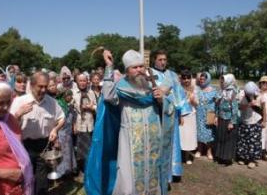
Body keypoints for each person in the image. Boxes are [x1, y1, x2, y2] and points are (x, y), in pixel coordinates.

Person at [85, 49, 175, 195]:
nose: (139, 70)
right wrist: (109, 66)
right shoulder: (121, 87)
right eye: (135, 67)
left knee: (153, 173)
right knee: (129, 178)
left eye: (141, 66)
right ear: (127, 71)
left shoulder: (153, 85)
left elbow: (169, 109)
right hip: (130, 140)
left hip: (153, 139)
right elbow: (108, 96)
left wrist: (161, 100)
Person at [10, 71, 65, 195]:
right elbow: (8, 126)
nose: (44, 89)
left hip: (44, 147)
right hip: (24, 146)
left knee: (42, 182)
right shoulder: (19, 102)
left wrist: (55, 130)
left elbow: (62, 118)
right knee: (25, 179)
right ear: (32, 85)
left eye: (46, 86)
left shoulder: (52, 102)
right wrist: (18, 114)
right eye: (40, 86)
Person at [150, 50, 191, 179]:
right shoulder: (148, 73)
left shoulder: (172, 75)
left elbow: (180, 94)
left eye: (164, 60)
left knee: (171, 143)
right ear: (154, 60)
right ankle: (156, 172)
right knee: (157, 143)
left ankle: (170, 172)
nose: (163, 62)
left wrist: (181, 114)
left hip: (171, 114)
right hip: (155, 114)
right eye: (160, 59)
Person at [237, 81, 265, 169]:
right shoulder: (242, 95)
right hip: (244, 121)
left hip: (255, 121)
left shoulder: (260, 96)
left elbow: (264, 109)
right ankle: (243, 158)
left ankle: (252, 160)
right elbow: (240, 107)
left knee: (253, 142)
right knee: (243, 140)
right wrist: (249, 104)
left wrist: (264, 121)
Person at [74, 73, 96, 176]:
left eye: (84, 81)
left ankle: (90, 169)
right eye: (80, 81)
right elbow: (72, 110)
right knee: (81, 149)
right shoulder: (74, 93)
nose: (82, 83)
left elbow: (96, 106)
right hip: (80, 125)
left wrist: (92, 108)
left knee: (90, 148)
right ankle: (82, 170)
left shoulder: (91, 92)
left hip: (90, 124)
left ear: (87, 81)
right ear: (77, 82)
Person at [214, 74, 239, 165]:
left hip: (229, 119)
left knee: (228, 139)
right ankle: (220, 157)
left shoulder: (233, 92)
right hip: (221, 118)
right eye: (221, 80)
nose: (221, 82)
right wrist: (216, 117)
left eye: (223, 80)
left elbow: (235, 109)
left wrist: (232, 122)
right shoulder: (221, 91)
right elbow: (217, 106)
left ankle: (227, 159)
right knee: (221, 137)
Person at [55, 89, 77, 178]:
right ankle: (63, 172)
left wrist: (73, 126)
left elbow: (72, 118)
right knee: (63, 153)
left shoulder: (69, 106)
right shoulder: (59, 106)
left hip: (68, 133)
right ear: (64, 96)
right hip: (61, 133)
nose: (70, 97)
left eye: (71, 95)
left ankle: (70, 169)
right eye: (69, 95)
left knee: (69, 152)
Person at [195, 72, 217, 160]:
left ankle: (209, 151)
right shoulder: (197, 89)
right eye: (201, 79)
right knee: (199, 132)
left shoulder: (214, 90)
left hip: (210, 114)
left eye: (204, 79)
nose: (202, 81)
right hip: (199, 114)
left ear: (208, 79)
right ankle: (199, 150)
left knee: (209, 133)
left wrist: (216, 115)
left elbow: (217, 103)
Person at [179, 70, 198, 165]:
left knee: (188, 137)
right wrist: (179, 115)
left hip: (190, 115)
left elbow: (197, 104)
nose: (186, 80)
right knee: (181, 136)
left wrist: (192, 100)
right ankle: (179, 156)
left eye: (188, 78)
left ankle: (187, 157)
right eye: (184, 78)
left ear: (191, 79)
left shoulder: (195, 89)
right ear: (181, 79)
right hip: (180, 115)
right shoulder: (177, 89)